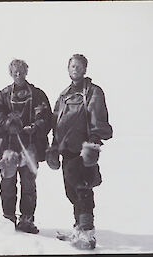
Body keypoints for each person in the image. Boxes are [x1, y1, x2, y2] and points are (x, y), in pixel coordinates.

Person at [46, 54, 113, 249]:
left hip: (83, 150)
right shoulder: (65, 94)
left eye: (79, 66)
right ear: (68, 69)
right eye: (72, 66)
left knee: (83, 189)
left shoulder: (93, 92)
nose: (75, 69)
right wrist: (54, 145)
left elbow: (97, 116)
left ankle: (87, 233)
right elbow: (56, 121)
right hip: (67, 149)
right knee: (71, 190)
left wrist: (93, 142)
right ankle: (78, 227)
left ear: (85, 69)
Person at [0, 59, 52, 234]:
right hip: (8, 148)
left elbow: (47, 118)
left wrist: (36, 126)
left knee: (28, 184)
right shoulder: (2, 95)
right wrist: (7, 123)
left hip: (30, 147)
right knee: (7, 184)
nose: (18, 74)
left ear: (26, 72)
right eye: (15, 71)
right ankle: (8, 218)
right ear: (10, 73)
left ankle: (27, 219)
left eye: (21, 71)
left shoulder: (38, 94)